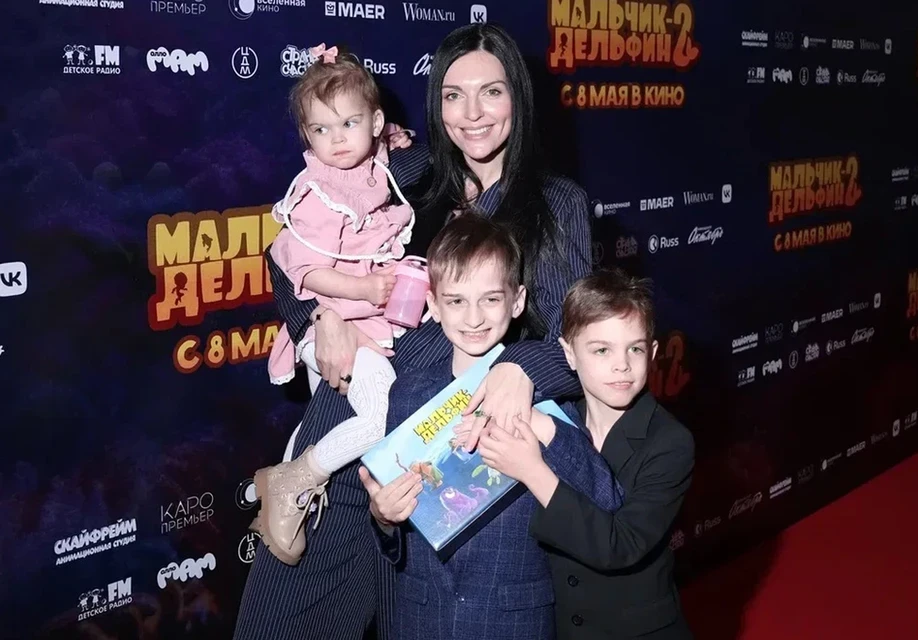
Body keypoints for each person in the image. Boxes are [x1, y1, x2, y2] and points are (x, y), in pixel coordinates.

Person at [234, 23, 593, 640]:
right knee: (278, 619)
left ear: (520, 97)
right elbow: (286, 251)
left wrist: (518, 367)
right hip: (344, 429)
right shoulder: (414, 175)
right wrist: (320, 318)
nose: (472, 114)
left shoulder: (554, 203)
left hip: (428, 466)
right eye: (453, 95)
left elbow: (576, 340)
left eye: (492, 92)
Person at [359, 212, 621, 640]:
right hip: (420, 619)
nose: (474, 317)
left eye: (491, 299)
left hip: (513, 620)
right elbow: (397, 541)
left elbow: (604, 497)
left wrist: (535, 419)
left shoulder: (541, 391)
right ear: (433, 305)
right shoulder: (407, 393)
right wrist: (383, 518)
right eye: (457, 301)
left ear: (517, 301)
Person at [251, 43, 421, 566]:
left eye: (349, 124)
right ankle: (292, 482)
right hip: (327, 321)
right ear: (307, 136)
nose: (338, 139)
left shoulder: (377, 168)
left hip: (370, 319)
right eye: (321, 129)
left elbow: (385, 145)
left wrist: (392, 138)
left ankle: (285, 502)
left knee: (324, 416)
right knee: (380, 411)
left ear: (375, 123)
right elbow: (304, 270)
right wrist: (364, 290)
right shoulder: (315, 192)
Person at [477, 269, 695, 639]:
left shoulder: (670, 442)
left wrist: (534, 471)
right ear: (569, 354)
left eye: (635, 348)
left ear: (653, 353)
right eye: (601, 350)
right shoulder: (559, 416)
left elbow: (620, 545)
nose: (622, 364)